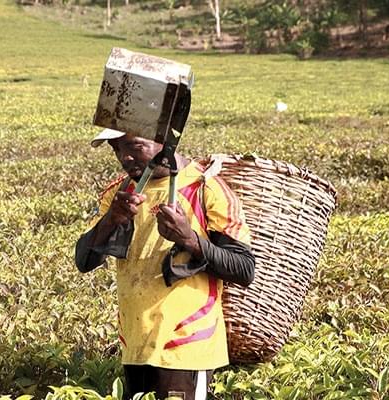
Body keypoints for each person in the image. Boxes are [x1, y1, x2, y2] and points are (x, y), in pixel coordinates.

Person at [75, 128, 256, 400]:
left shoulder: (206, 188)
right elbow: (84, 260)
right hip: (134, 345)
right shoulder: (119, 192)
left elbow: (243, 268)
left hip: (187, 348)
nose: (124, 157)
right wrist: (112, 219)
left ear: (164, 139)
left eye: (134, 146)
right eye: (116, 149)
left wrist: (190, 239)